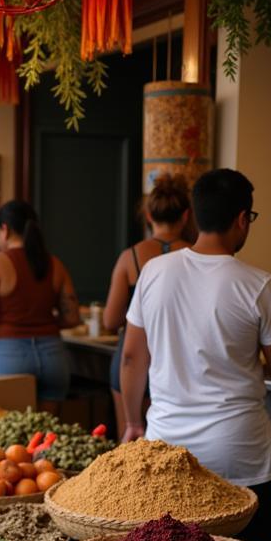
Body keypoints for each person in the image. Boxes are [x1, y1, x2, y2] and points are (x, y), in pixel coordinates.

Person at [121, 168, 271, 541]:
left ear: (195, 214)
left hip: (169, 452)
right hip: (242, 457)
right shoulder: (258, 285)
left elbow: (133, 357)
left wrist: (134, 421)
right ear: (241, 219)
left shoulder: (154, 272)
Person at [0, 200, 81, 416]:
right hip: (53, 357)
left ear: (4, 230)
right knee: (45, 436)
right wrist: (45, 322)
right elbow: (72, 318)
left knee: (11, 439)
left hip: (9, 357)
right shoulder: (55, 264)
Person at [103, 174, 192, 437]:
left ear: (148, 216)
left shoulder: (130, 258)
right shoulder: (196, 257)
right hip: (178, 358)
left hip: (131, 354)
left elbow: (110, 320)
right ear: (185, 216)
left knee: (130, 442)